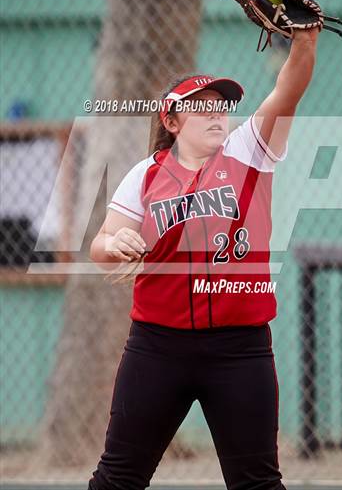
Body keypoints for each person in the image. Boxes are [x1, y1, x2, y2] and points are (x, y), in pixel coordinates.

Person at [88, 27, 320, 490]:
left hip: (240, 349)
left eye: (221, 106)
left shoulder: (251, 152)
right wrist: (113, 247)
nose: (217, 114)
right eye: (202, 106)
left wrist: (306, 42)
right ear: (172, 121)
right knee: (118, 478)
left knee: (257, 482)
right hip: (156, 347)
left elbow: (288, 89)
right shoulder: (146, 174)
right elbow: (103, 243)